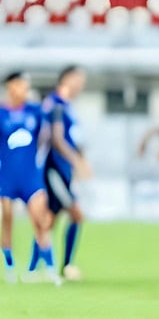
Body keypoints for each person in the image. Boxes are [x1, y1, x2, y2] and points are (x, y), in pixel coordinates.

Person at [1, 72, 58, 285]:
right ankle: (9, 266)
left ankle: (49, 268)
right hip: (6, 176)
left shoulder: (35, 111)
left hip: (30, 177)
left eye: (26, 86)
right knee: (6, 220)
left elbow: (51, 120)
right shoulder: (1, 113)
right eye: (20, 86)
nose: (24, 90)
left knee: (41, 219)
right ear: (10, 87)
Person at [42, 65, 92, 282]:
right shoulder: (55, 105)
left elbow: (73, 138)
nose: (82, 84)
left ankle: (38, 266)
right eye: (80, 79)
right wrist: (78, 162)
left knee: (49, 219)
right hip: (54, 170)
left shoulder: (67, 106)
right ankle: (66, 265)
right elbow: (57, 139)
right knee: (76, 215)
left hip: (64, 171)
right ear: (68, 79)